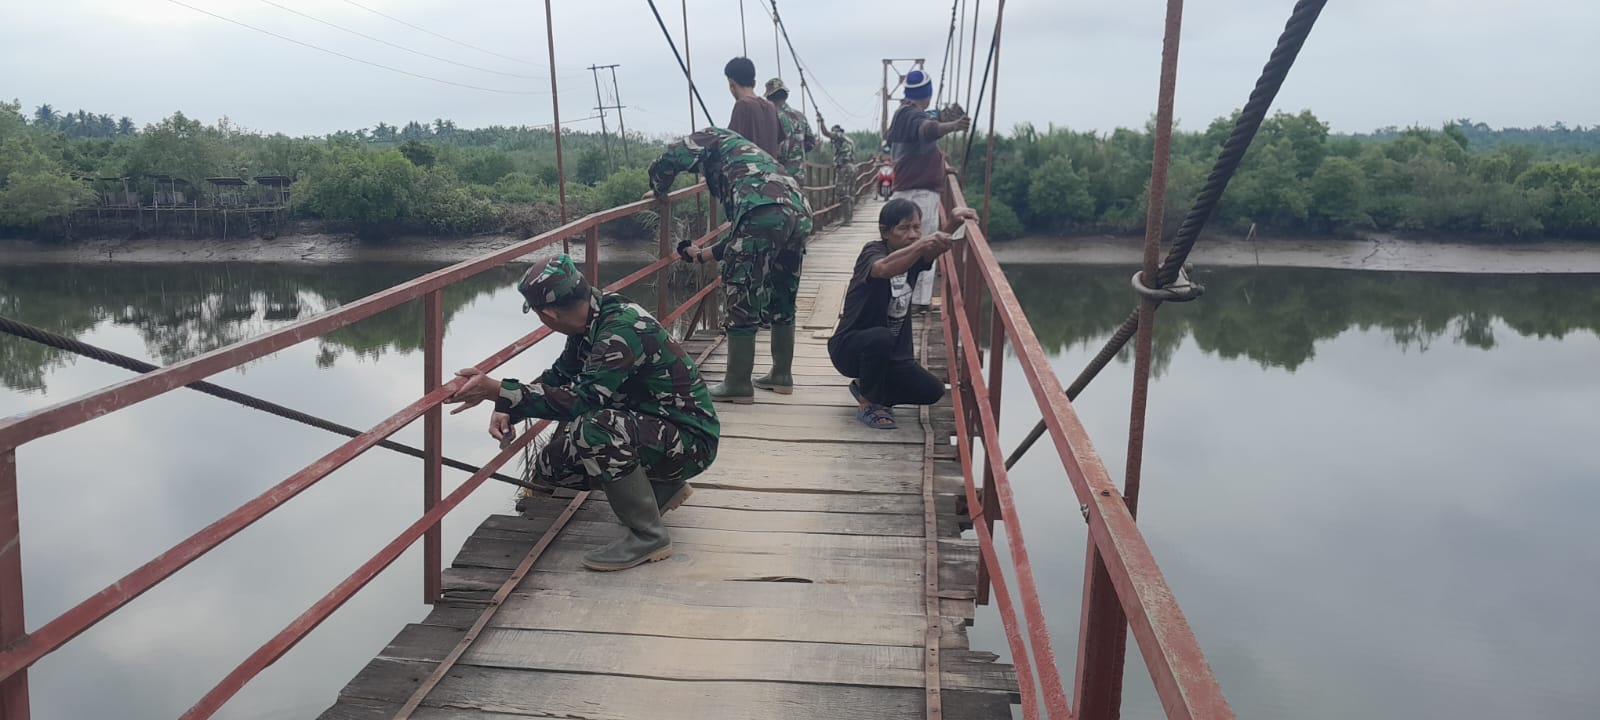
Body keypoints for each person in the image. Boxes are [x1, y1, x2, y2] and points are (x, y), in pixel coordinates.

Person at [443, 255, 719, 572]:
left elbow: (581, 401)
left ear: (547, 314)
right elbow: (560, 375)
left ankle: (649, 536)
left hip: (691, 443)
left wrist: (498, 389)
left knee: (594, 427)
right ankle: (663, 487)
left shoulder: (618, 330)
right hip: (661, 430)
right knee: (554, 464)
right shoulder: (592, 317)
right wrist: (507, 404)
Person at [643, 127, 812, 403]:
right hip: (798, 210)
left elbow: (669, 157)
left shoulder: (709, 137)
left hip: (763, 211)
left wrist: (658, 189)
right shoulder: (745, 155)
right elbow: (745, 240)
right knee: (783, 290)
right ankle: (782, 376)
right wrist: (703, 254)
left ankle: (737, 383)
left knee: (741, 290)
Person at [828, 199, 976, 430]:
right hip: (850, 349)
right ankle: (869, 404)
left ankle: (866, 386)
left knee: (932, 391)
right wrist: (920, 245)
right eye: (904, 228)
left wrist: (953, 223)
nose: (913, 234)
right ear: (885, 232)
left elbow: (934, 247)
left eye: (917, 227)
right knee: (881, 337)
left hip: (890, 355)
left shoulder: (914, 258)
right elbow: (883, 269)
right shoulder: (873, 251)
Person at [886, 69, 970, 310]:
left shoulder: (903, 115)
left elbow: (922, 144)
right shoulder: (911, 115)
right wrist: (953, 125)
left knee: (904, 246)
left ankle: (901, 298)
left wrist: (942, 165)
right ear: (928, 93)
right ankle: (918, 302)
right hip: (919, 194)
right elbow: (926, 130)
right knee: (924, 245)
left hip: (906, 191)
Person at [723, 57, 783, 159]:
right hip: (771, 172)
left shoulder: (742, 105)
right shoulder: (770, 107)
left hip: (750, 173)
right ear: (754, 82)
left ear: (731, 83)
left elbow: (729, 147)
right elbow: (779, 147)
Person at [764, 77, 817, 179]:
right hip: (799, 173)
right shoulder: (801, 116)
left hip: (778, 174)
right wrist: (796, 152)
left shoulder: (770, 116)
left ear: (769, 98)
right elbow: (811, 143)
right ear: (786, 96)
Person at [815, 115, 856, 224]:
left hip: (844, 167)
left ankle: (847, 220)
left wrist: (821, 122)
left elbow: (826, 133)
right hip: (851, 167)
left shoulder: (838, 135)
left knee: (842, 192)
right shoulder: (849, 140)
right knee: (849, 192)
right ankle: (849, 217)